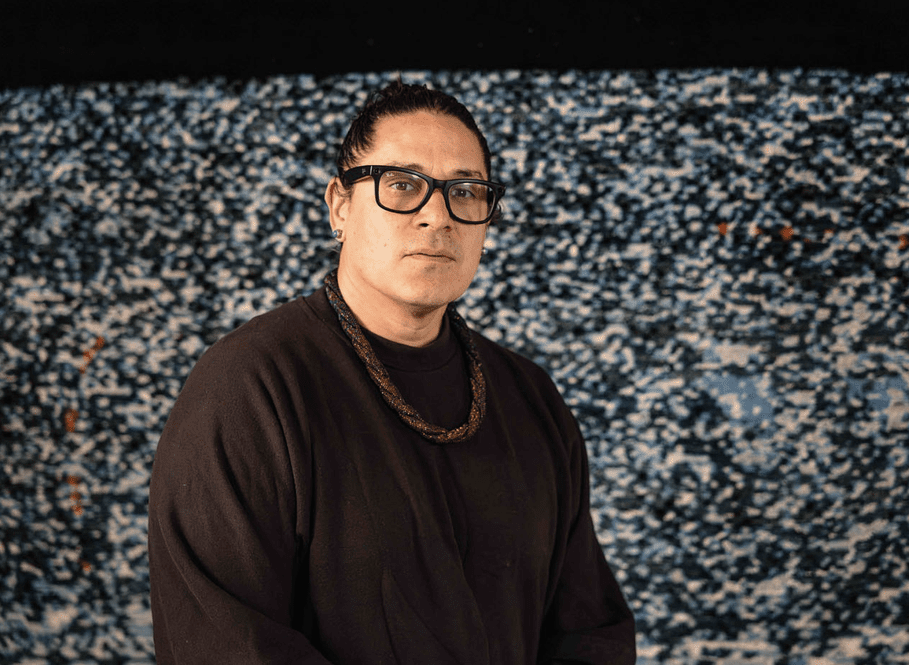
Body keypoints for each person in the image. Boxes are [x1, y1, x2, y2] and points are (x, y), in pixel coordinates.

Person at [147, 80, 636, 664]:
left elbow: (590, 631)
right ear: (340, 205)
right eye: (402, 185)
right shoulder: (250, 387)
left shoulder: (529, 396)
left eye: (465, 191)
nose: (438, 216)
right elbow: (226, 645)